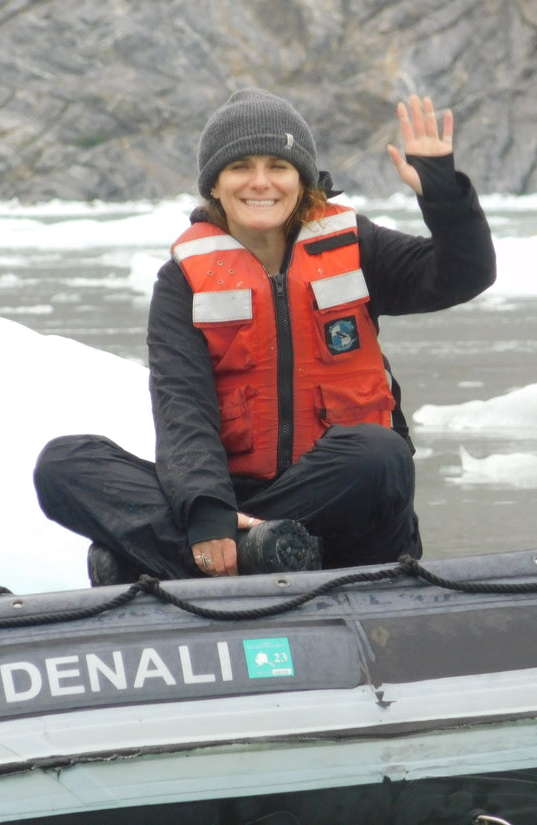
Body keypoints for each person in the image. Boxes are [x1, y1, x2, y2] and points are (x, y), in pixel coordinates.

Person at [34, 88, 496, 586]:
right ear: (215, 184)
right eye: (240, 167)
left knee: (379, 454)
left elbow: (463, 274)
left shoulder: (356, 246)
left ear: (302, 179)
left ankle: (174, 557)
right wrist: (209, 513)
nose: (260, 182)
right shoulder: (183, 280)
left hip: (349, 510)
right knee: (63, 465)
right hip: (238, 505)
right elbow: (182, 408)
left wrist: (444, 193)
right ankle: (255, 550)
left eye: (277, 165)